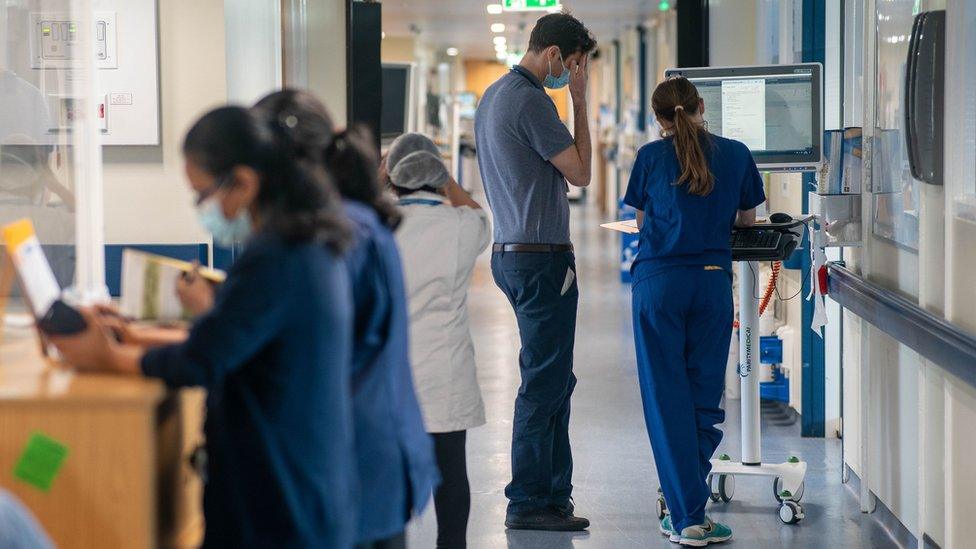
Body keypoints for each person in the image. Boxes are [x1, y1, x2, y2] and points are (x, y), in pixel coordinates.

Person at [49, 106, 358, 548]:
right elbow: (232, 338)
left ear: (245, 182)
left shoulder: (276, 256)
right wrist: (135, 336)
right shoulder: (305, 243)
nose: (203, 209)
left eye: (202, 195)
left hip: (278, 495)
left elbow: (203, 359)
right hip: (303, 479)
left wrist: (109, 358)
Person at [253, 90, 439, 549]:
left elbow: (312, 343)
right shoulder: (361, 221)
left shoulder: (337, 237)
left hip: (354, 457)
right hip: (378, 450)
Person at [624, 77, 766, 546]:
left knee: (667, 399)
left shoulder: (649, 157)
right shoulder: (736, 153)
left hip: (659, 286)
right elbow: (748, 220)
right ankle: (690, 506)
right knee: (703, 401)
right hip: (710, 283)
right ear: (703, 107)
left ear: (659, 119)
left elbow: (643, 222)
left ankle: (685, 515)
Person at [473, 12, 596, 531]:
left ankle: (552, 493)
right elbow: (583, 172)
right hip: (541, 258)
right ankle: (528, 501)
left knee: (552, 378)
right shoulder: (532, 100)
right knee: (544, 384)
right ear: (552, 56)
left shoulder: (494, 96)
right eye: (572, 65)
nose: (571, 74)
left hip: (512, 251)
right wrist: (580, 100)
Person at [385, 132, 491, 548]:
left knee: (390, 478)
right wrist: (449, 182)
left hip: (392, 374)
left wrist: (382, 178)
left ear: (392, 177)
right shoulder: (463, 227)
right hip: (445, 373)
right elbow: (478, 211)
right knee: (450, 474)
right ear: (439, 175)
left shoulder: (379, 228)